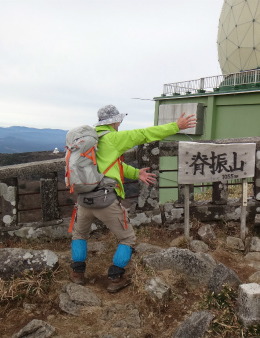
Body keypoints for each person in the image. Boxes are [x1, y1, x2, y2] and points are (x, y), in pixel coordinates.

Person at [69, 104, 197, 293]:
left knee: (79, 235)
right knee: (127, 238)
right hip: (105, 200)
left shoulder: (89, 142)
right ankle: (115, 276)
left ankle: (77, 274)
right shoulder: (113, 138)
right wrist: (176, 126)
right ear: (114, 121)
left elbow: (111, 166)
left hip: (83, 199)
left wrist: (137, 173)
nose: (120, 123)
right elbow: (144, 134)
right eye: (119, 120)